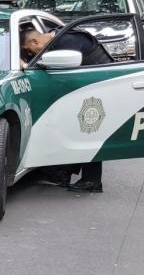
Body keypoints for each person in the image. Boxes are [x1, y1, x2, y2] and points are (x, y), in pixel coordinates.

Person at [22, 27, 112, 193]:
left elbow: (64, 73)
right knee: (76, 129)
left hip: (102, 88)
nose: (30, 54)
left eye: (28, 50)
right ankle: (64, 172)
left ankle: (92, 181)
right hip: (88, 88)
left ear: (34, 41)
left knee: (89, 132)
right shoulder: (57, 38)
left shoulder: (66, 42)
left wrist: (27, 65)